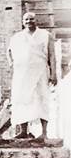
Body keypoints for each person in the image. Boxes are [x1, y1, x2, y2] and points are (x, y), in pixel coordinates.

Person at [7, 11, 57, 141]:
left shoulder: (45, 35)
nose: (29, 21)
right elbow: (9, 51)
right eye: (26, 20)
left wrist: (53, 73)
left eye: (31, 19)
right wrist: (12, 64)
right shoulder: (17, 37)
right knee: (21, 99)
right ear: (23, 22)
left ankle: (44, 132)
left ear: (36, 20)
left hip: (40, 72)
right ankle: (23, 131)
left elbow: (52, 55)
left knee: (42, 98)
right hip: (22, 73)